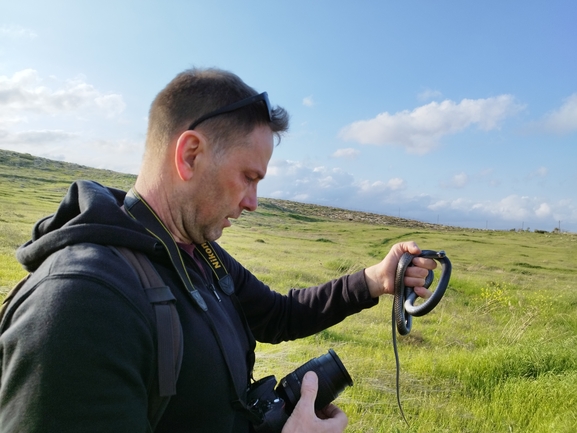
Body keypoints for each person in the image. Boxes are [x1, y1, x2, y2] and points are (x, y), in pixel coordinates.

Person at [0, 68, 435, 433]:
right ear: (190, 155)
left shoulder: (195, 255)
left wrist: (375, 280)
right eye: (249, 177)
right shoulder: (81, 305)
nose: (252, 202)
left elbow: (278, 314)